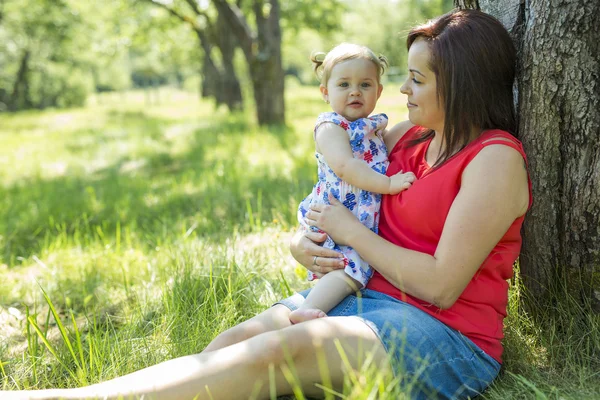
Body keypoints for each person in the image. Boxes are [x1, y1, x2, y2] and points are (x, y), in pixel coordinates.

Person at [6, 9, 531, 400]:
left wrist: (351, 233)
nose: (401, 89)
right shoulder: (407, 137)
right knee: (236, 342)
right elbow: (338, 190)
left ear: (460, 85)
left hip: (445, 334)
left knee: (280, 353)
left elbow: (441, 284)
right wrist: (303, 241)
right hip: (367, 295)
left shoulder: (493, 160)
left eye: (417, 79)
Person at [291, 43, 416, 324]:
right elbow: (347, 167)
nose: (355, 91)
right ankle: (306, 311)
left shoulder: (372, 127)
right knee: (347, 269)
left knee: (351, 270)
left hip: (354, 217)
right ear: (325, 92)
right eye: (344, 84)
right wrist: (389, 184)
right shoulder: (330, 127)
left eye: (365, 84)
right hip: (335, 212)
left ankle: (314, 306)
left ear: (379, 92)